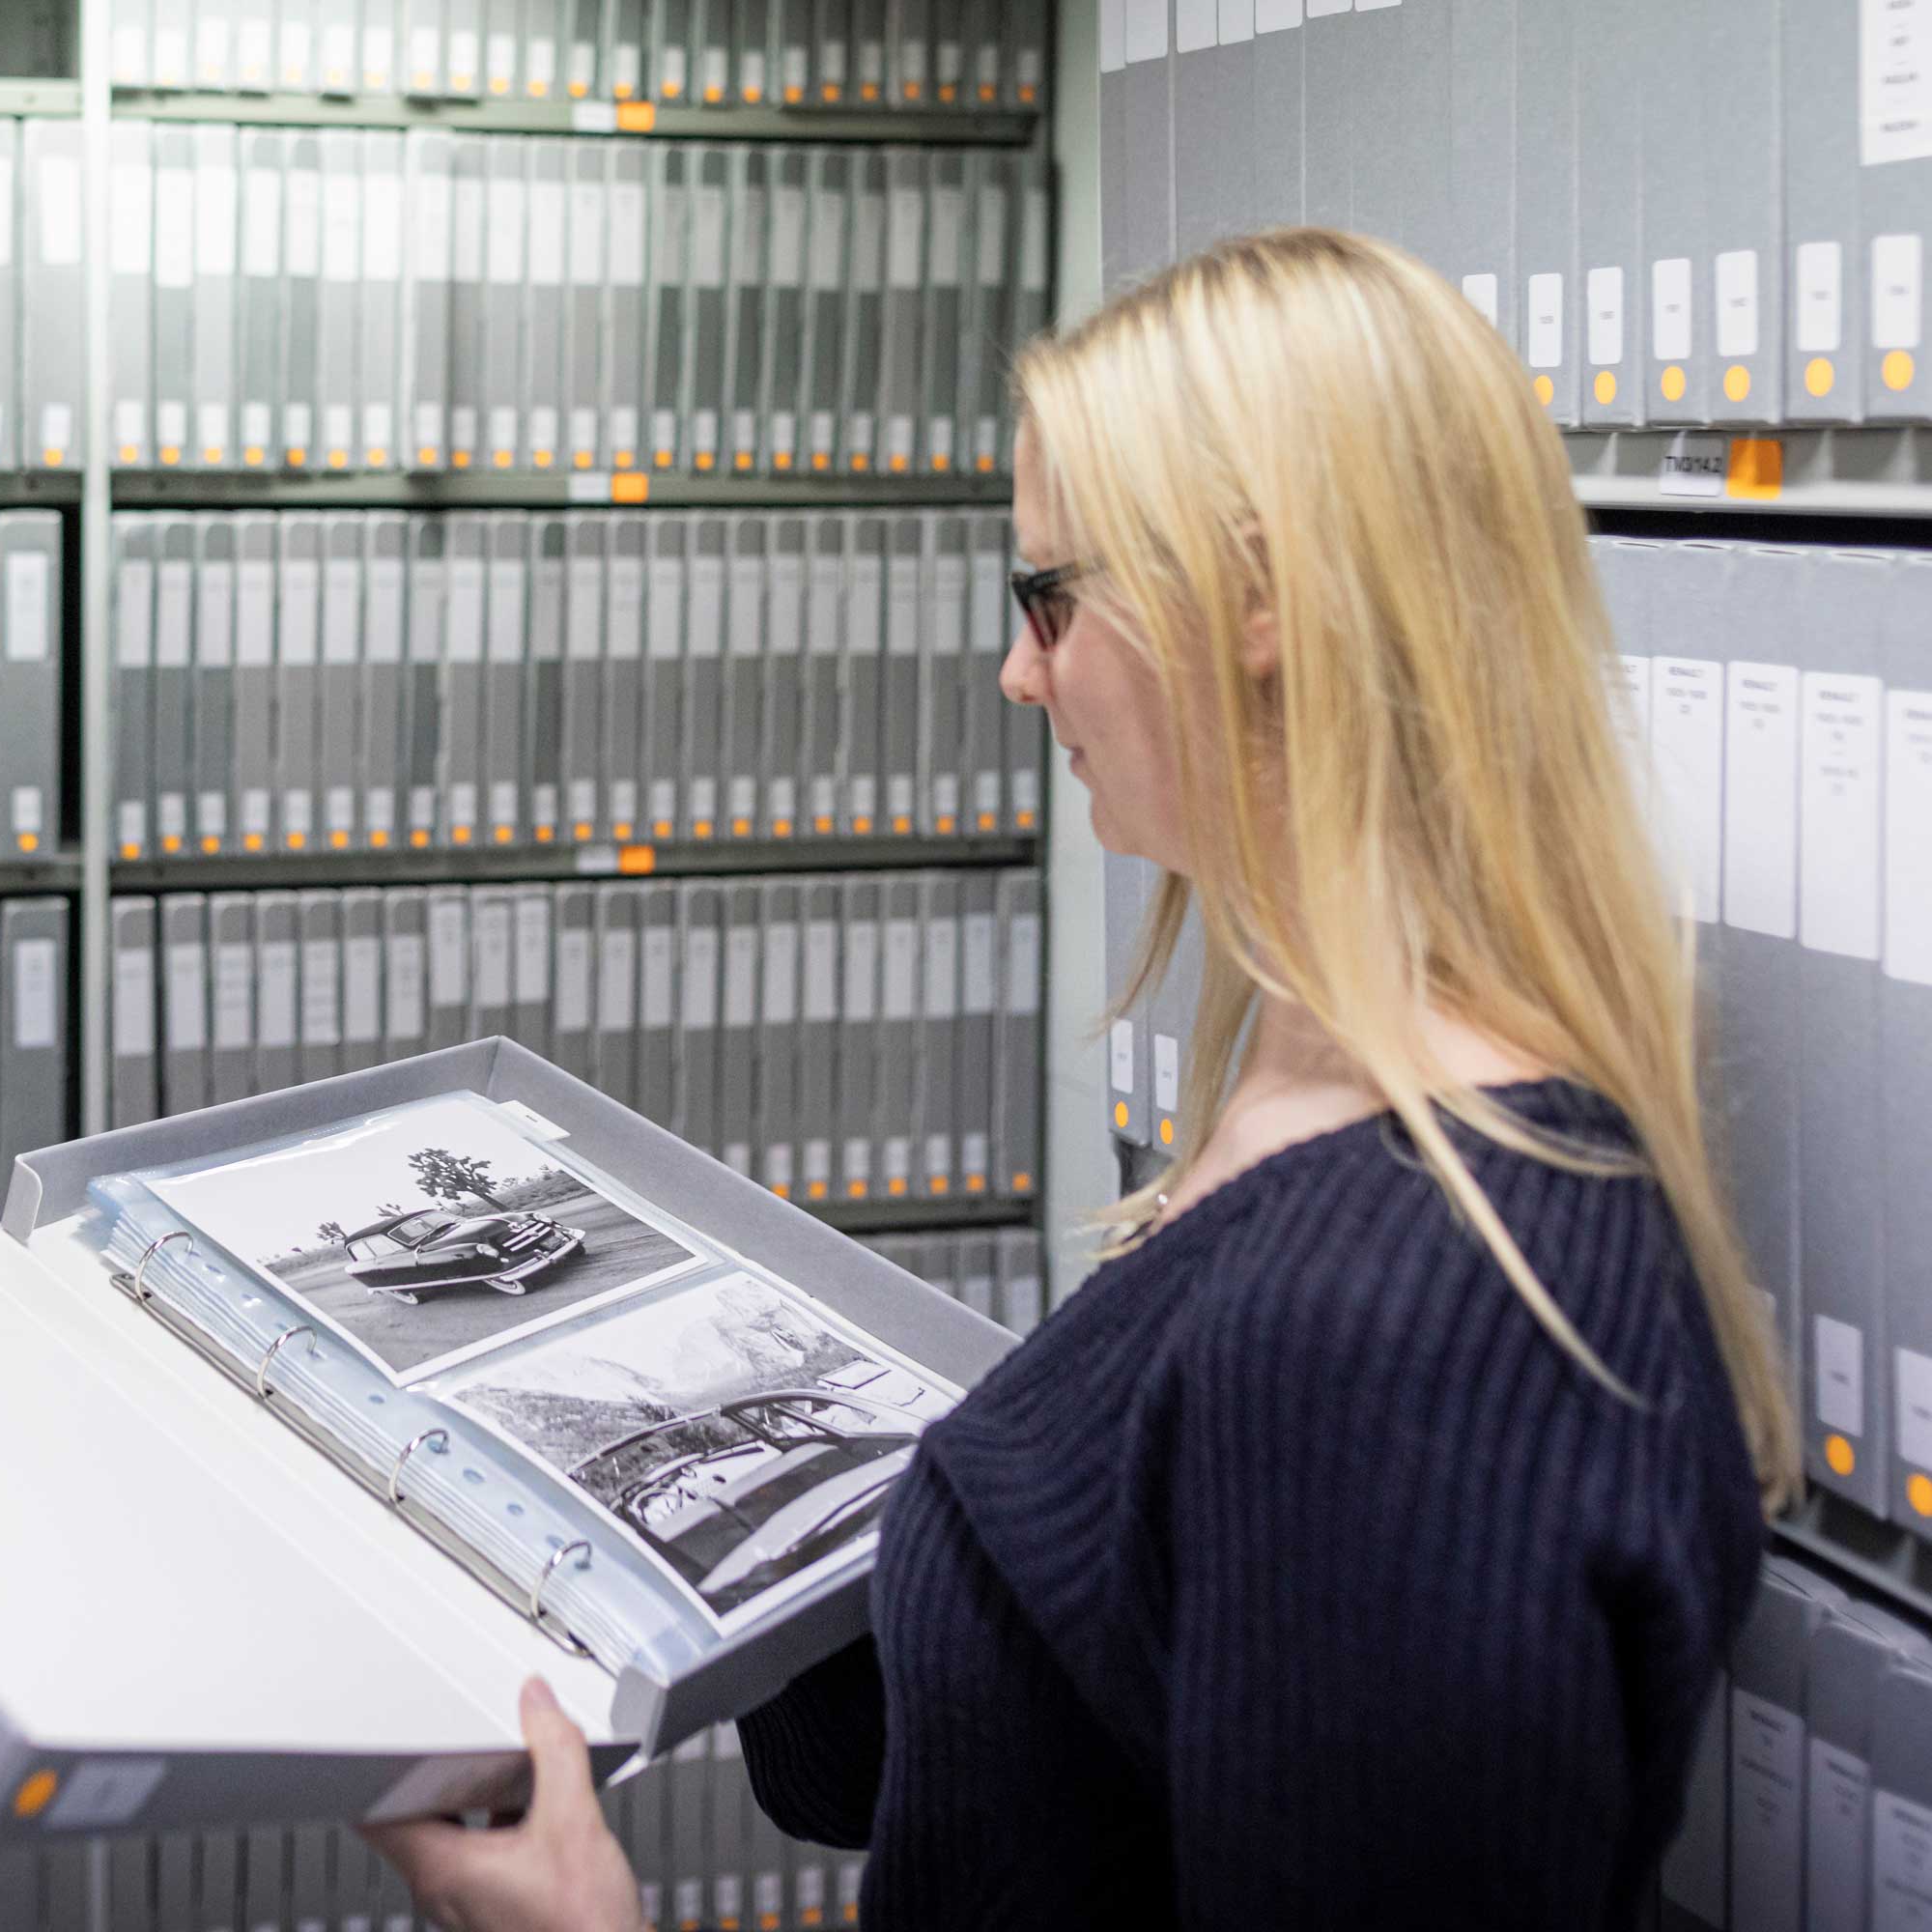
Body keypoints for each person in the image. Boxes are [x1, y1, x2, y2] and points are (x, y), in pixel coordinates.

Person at [366, 227, 1793, 1930]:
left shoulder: (1395, 1323)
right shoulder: (1291, 1099)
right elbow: (1037, 1746)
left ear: (1259, 600)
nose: (1018, 671)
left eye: (1051, 597)